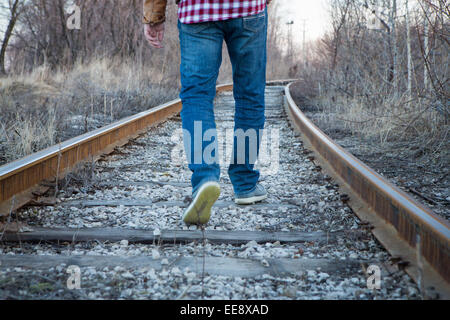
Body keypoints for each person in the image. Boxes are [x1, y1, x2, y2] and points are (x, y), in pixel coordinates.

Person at [143, 0, 271, 225]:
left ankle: (205, 178)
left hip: (197, 10)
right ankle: (245, 184)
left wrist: (154, 16)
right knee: (250, 94)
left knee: (197, 96)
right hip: (248, 8)